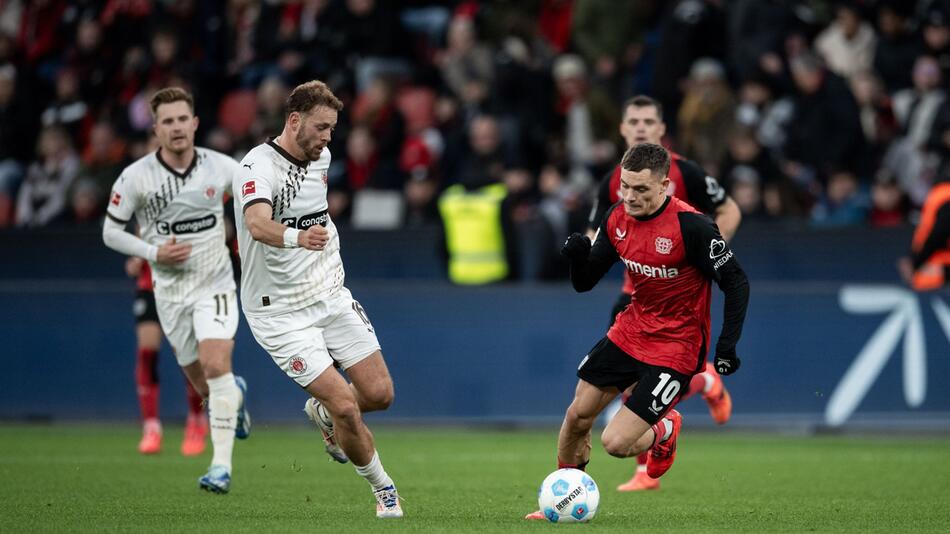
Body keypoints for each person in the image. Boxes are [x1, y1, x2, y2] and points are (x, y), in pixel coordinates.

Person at [526, 143, 750, 520]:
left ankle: (665, 430)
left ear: (665, 185)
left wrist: (726, 346)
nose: (630, 196)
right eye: (625, 187)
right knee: (577, 417)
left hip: (677, 347)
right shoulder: (616, 217)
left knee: (614, 442)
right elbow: (585, 283)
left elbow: (737, 282)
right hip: (630, 331)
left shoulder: (692, 227)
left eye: (641, 189)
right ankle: (563, 501)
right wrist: (579, 257)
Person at [232, 80, 403, 519]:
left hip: (328, 294)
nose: (329, 138)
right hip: (279, 312)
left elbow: (316, 208)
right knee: (346, 404)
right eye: (322, 127)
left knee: (380, 394)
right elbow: (255, 224)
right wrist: (297, 237)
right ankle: (385, 492)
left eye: (333, 129)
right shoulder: (257, 167)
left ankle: (323, 415)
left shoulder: (320, 157)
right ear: (294, 121)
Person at [587, 95, 742, 491]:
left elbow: (730, 210)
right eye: (633, 120)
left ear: (661, 129)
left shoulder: (685, 173)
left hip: (678, 298)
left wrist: (708, 258)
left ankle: (698, 389)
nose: (640, 127)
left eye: (648, 121)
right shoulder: (611, 182)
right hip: (634, 292)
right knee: (628, 386)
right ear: (622, 128)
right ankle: (649, 458)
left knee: (647, 385)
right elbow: (596, 233)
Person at [102, 87, 250, 493]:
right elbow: (110, 231)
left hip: (215, 282)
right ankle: (231, 396)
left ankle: (220, 468)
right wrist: (152, 252)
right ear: (155, 129)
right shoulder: (136, 178)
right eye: (167, 121)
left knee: (217, 364)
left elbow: (256, 205)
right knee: (206, 386)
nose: (177, 127)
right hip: (168, 293)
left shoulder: (222, 168)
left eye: (183, 118)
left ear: (195, 123)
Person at [126, 257, 208, 456]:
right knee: (147, 353)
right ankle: (151, 428)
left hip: (181, 290)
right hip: (149, 288)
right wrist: (133, 260)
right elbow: (136, 241)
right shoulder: (143, 224)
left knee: (187, 355)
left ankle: (196, 422)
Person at [899, 175, 950, 290]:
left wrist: (916, 262)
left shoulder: (944, 196)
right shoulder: (941, 195)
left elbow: (939, 233)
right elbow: (926, 232)